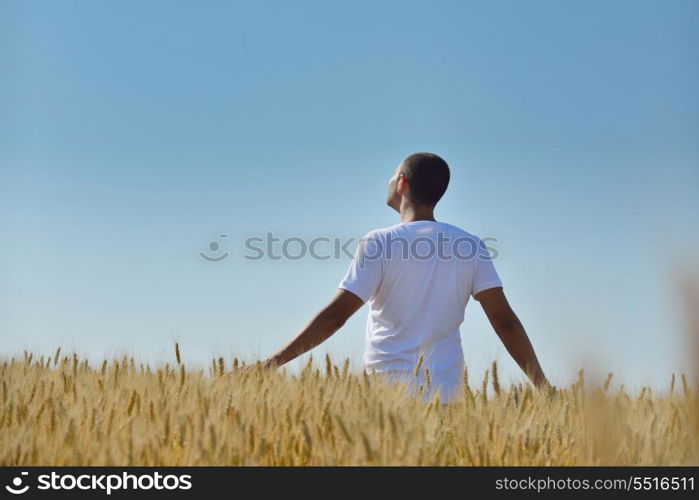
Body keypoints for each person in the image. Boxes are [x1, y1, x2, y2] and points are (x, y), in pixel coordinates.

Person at [256, 152, 551, 402]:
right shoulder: (470, 246)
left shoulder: (379, 242)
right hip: (446, 396)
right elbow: (505, 322)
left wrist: (269, 365)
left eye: (391, 176)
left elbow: (335, 317)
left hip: (385, 396)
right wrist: (542, 386)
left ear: (402, 183)